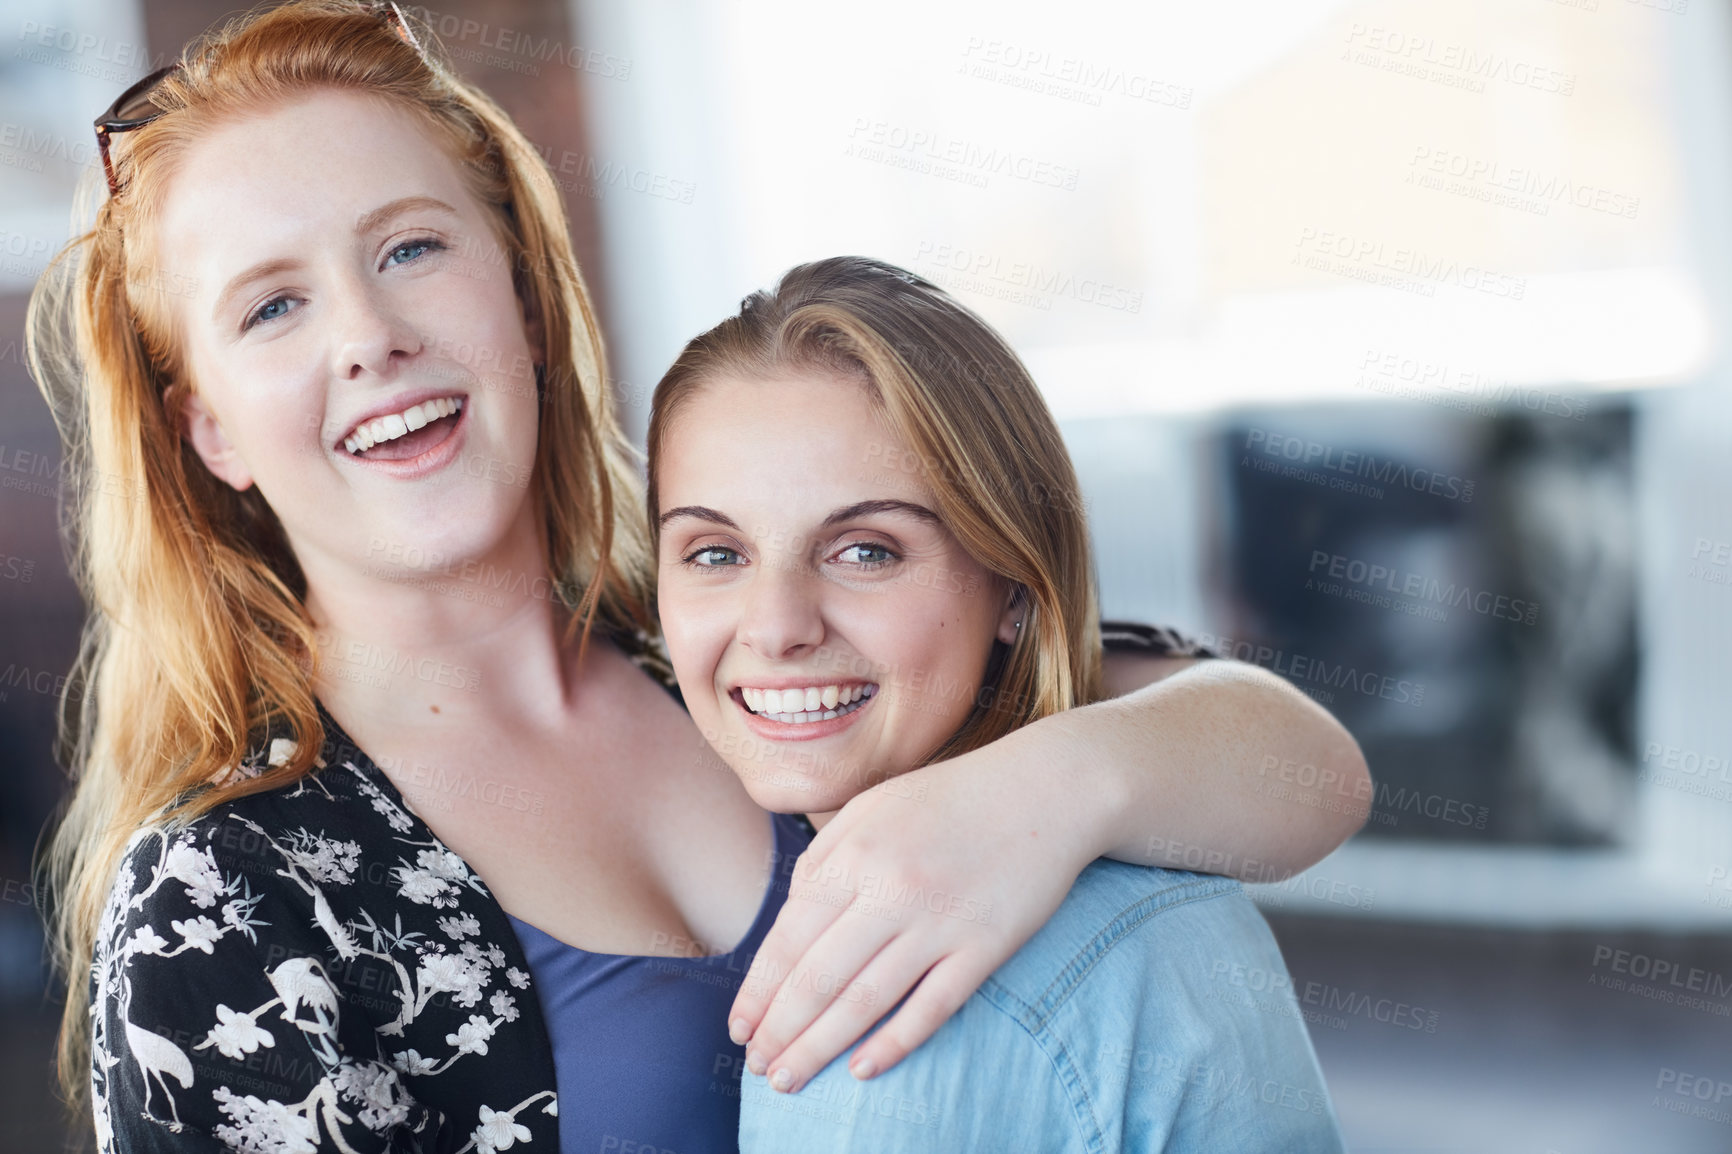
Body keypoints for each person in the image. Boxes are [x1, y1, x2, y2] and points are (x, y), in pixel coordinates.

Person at [26, 3, 1368, 1151]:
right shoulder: (225, 897)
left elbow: (1306, 773)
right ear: (207, 427)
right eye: (273, 306)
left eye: (410, 249)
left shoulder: (729, 639)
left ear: (529, 304)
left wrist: (1044, 792)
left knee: (1170, 935)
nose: (370, 335)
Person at [648, 256, 1347, 1151]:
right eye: (713, 553)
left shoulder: (874, 1003)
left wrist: (1043, 788)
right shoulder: (1160, 888)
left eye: (866, 551)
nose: (776, 626)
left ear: (1013, 588)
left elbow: (1318, 765)